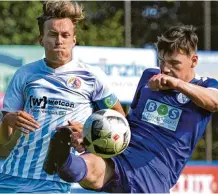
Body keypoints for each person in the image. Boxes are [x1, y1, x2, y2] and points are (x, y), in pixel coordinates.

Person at [43, 25, 218, 193]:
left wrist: (177, 84)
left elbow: (214, 102)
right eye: (162, 60)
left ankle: (64, 162)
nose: (165, 69)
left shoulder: (205, 86)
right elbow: (128, 122)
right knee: (92, 168)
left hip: (154, 171)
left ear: (193, 61)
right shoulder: (149, 76)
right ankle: (61, 160)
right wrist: (91, 136)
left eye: (174, 63)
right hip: (123, 151)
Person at [0, 1, 125, 193]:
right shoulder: (25, 74)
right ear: (41, 39)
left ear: (74, 39)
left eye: (65, 35)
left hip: (56, 181)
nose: (59, 40)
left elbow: (119, 122)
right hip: (12, 177)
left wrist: (89, 132)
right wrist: (7, 120)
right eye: (53, 34)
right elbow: (2, 139)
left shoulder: (92, 76)